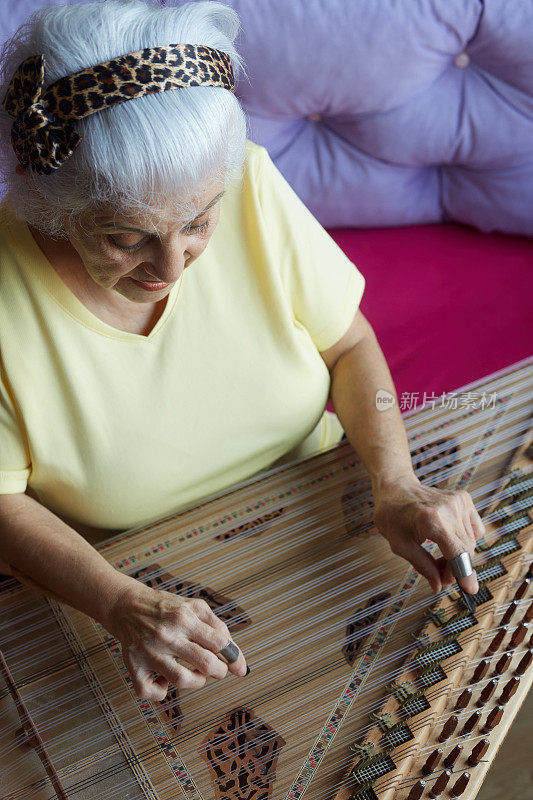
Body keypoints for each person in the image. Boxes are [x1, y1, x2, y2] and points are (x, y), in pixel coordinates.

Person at [0, 0, 484, 701]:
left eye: (198, 222)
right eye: (126, 237)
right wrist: (119, 603)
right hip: (137, 589)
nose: (171, 265)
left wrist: (396, 482)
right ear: (52, 205)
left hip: (324, 520)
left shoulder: (248, 181)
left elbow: (346, 343)